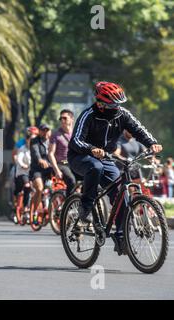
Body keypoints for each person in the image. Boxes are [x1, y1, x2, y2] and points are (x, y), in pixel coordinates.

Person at [68, 81, 162, 255]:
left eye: (119, 104)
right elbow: (76, 141)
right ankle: (86, 205)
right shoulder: (88, 115)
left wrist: (152, 143)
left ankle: (120, 237)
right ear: (100, 103)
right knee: (95, 167)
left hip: (107, 157)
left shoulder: (122, 114)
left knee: (121, 195)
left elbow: (139, 129)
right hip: (80, 156)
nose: (117, 108)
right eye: (113, 104)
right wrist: (91, 149)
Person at [48, 109, 76, 195]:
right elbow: (50, 153)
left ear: (72, 119)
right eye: (60, 118)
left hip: (74, 163)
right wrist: (56, 170)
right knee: (72, 180)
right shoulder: (56, 135)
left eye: (65, 118)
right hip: (61, 164)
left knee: (89, 177)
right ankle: (68, 205)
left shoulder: (77, 133)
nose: (62, 120)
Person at [29, 124, 52, 223]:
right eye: (43, 130)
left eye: (47, 130)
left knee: (59, 188)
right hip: (37, 170)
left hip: (50, 170)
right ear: (40, 131)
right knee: (39, 188)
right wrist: (40, 160)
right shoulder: (34, 141)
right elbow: (35, 152)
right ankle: (34, 213)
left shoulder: (53, 141)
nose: (45, 132)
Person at [13, 127, 36, 223]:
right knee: (26, 186)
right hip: (22, 172)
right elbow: (18, 158)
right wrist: (23, 165)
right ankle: (24, 206)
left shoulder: (36, 149)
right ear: (27, 139)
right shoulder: (22, 147)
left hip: (32, 172)